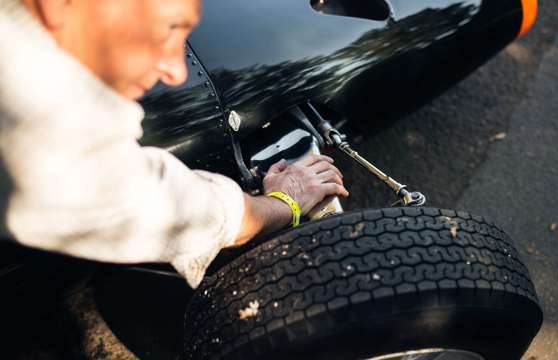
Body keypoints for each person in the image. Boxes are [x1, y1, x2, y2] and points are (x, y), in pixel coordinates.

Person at [0, 0, 349, 288]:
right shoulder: (42, 137)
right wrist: (285, 201)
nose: (175, 71)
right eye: (166, 30)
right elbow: (187, 214)